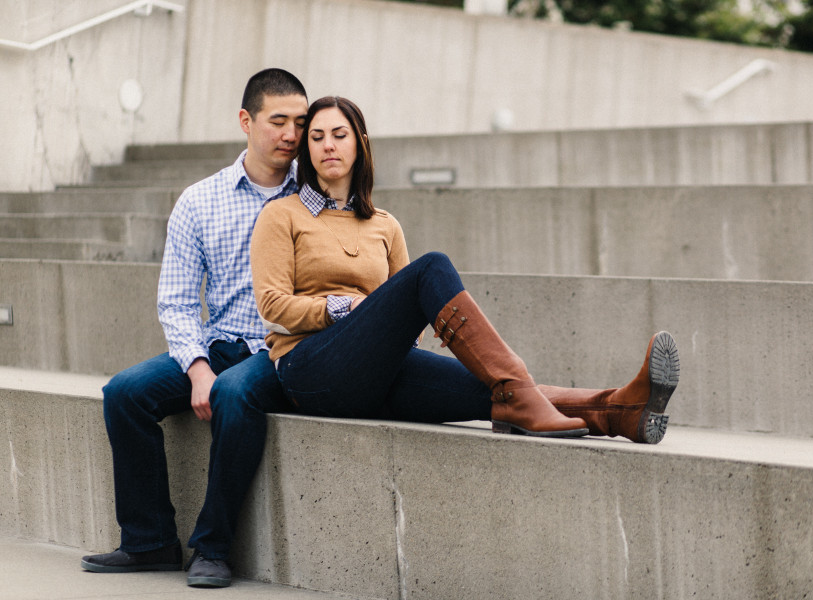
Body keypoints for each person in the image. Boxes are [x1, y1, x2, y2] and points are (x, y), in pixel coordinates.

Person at [250, 96, 680, 443]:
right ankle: (526, 388)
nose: (328, 145)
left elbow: (405, 323)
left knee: (500, 391)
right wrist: (347, 310)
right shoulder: (281, 215)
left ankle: (621, 411)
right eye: (318, 137)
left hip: (379, 372)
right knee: (431, 268)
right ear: (306, 149)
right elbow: (271, 307)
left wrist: (378, 327)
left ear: (359, 142)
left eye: (339, 135)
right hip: (310, 371)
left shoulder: (385, 224)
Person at [81, 68, 309, 589]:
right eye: (278, 121)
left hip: (282, 349)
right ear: (246, 121)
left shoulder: (313, 197)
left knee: (233, 394)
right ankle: (149, 541)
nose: (291, 135)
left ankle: (212, 548)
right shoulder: (199, 201)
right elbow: (178, 302)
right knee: (124, 393)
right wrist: (198, 367)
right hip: (221, 344)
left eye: (299, 121)